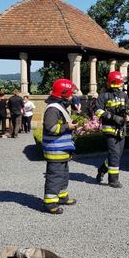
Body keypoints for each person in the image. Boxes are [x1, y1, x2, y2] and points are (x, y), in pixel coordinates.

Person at [42, 79, 78, 214]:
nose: (72, 96)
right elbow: (51, 127)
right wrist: (67, 126)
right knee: (55, 177)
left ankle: (62, 196)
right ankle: (50, 204)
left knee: (63, 175)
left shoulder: (59, 106)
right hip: (55, 150)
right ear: (64, 93)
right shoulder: (53, 108)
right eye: (70, 93)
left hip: (61, 150)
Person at [95, 71, 129, 188]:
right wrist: (113, 117)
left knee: (116, 155)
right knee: (114, 154)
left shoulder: (123, 95)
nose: (122, 84)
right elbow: (98, 111)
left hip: (121, 129)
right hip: (110, 130)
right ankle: (113, 180)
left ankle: (102, 169)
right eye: (120, 82)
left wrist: (128, 115)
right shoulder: (104, 96)